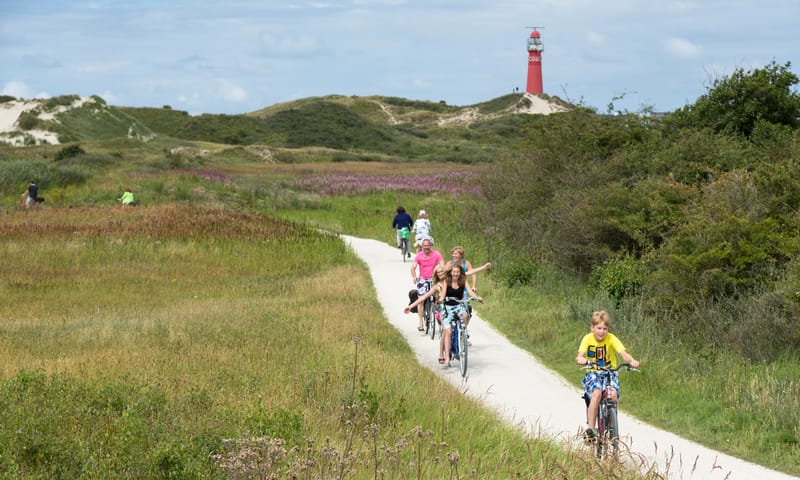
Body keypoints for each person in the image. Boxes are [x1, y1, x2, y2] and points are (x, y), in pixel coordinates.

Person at [575, 311, 640, 440]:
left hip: (610, 373)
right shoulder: (588, 338)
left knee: (613, 394)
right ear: (592, 328)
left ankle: (612, 429)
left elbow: (623, 353)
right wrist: (581, 359)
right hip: (593, 373)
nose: (602, 331)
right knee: (597, 393)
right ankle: (591, 431)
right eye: (599, 328)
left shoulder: (611, 338)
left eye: (605, 329)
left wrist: (631, 361)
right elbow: (580, 355)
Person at [438, 264, 481, 368]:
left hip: (458, 306)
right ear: (450, 273)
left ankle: (463, 332)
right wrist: (440, 299)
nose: (455, 274)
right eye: (454, 272)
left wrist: (477, 297)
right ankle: (447, 358)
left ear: (460, 273)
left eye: (457, 272)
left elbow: (470, 292)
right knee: (448, 332)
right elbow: (443, 295)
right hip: (447, 308)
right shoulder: (446, 281)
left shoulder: (463, 281)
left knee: (465, 315)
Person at [410, 238, 444, 332]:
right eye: (424, 246)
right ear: (422, 246)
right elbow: (413, 268)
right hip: (423, 279)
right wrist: (414, 276)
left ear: (431, 245)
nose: (426, 247)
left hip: (434, 279)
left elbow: (442, 265)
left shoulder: (437, 254)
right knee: (421, 300)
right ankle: (421, 323)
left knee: (440, 298)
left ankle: (438, 316)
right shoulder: (419, 255)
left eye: (428, 245)